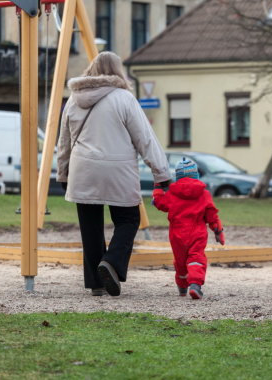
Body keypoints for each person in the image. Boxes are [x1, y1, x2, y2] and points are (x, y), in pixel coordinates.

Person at [56, 52, 171, 297]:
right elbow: (145, 139)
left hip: (82, 169)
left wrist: (63, 173)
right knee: (128, 220)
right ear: (117, 70)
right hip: (118, 170)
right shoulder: (124, 98)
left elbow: (64, 142)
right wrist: (161, 173)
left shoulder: (74, 101)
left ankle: (96, 283)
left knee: (90, 226)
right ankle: (112, 262)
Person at [152, 157, 225, 299]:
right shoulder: (204, 194)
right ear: (196, 175)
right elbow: (211, 214)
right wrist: (218, 230)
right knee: (196, 257)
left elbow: (159, 203)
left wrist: (158, 188)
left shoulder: (172, 193)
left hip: (177, 233)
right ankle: (195, 285)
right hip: (197, 231)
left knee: (180, 260)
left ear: (177, 176)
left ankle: (182, 287)